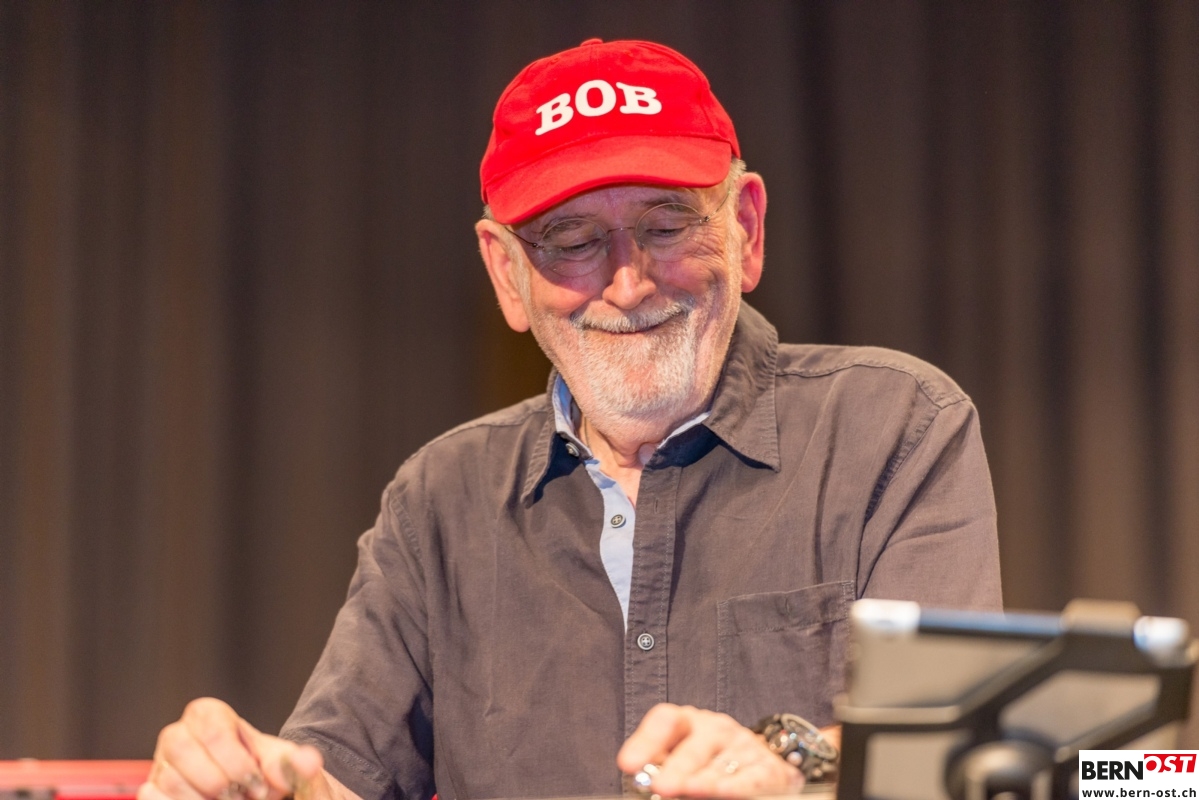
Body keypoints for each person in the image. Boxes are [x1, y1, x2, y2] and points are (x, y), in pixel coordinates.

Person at [141, 38, 1001, 800]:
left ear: (745, 227)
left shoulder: (894, 428)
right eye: (572, 241)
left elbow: (952, 748)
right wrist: (251, 782)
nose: (628, 283)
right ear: (506, 274)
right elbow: (336, 779)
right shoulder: (439, 500)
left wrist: (793, 766)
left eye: (667, 223)